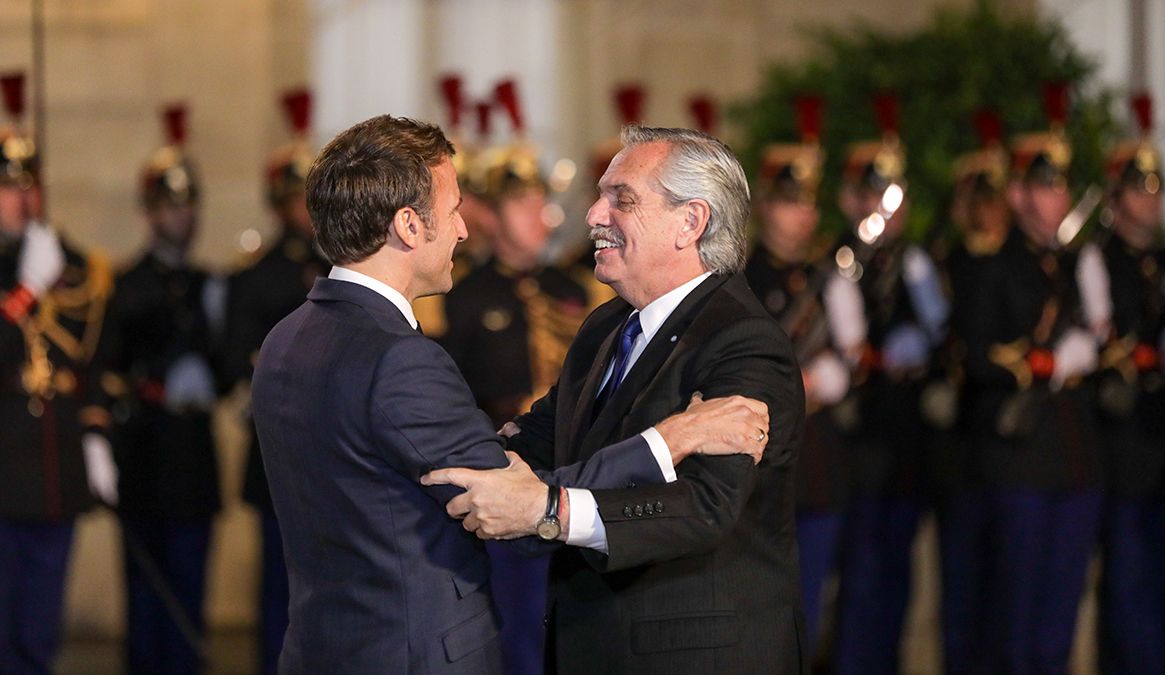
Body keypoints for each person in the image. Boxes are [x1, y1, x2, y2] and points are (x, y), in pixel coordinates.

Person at [250, 115, 770, 675]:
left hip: (323, 648)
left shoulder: (290, 336)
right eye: (452, 212)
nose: (463, 231)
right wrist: (670, 439)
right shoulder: (397, 356)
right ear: (407, 225)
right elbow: (512, 510)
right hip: (414, 655)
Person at [425, 125, 806, 674]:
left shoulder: (743, 341)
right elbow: (537, 444)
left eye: (621, 199)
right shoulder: (606, 326)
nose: (594, 215)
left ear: (690, 222)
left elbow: (704, 507)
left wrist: (552, 510)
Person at [439, 81, 586, 675]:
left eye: (540, 200)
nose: (541, 214)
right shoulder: (463, 297)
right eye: (523, 202)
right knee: (517, 635)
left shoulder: (574, 289)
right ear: (491, 214)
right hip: (503, 473)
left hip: (576, 477)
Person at [963, 83, 1104, 673]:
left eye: (1060, 185)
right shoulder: (997, 266)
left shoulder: (1077, 262)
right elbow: (976, 354)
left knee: (1061, 609)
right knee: (1015, 613)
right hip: (1020, 459)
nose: (1056, 196)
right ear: (1018, 193)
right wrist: (1043, 362)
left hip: (1076, 458)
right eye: (1044, 185)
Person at [0, 70, 118, 675]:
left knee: (39, 626)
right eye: (9, 188)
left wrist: (96, 434)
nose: (23, 199)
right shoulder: (28, 274)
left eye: (30, 187)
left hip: (53, 471)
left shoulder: (72, 266)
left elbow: (91, 357)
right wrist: (24, 291)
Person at [102, 103, 222, 675]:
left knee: (190, 594)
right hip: (145, 459)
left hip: (194, 460)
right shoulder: (126, 285)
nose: (184, 216)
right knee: (147, 600)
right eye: (173, 204)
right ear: (151, 211)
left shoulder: (208, 285)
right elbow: (113, 368)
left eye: (189, 203)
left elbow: (226, 374)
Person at [831, 94, 949, 675]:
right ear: (851, 199)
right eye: (876, 194)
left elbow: (945, 342)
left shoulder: (917, 261)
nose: (888, 209)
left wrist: (933, 337)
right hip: (854, 443)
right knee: (858, 576)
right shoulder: (838, 261)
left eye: (895, 196)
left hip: (906, 443)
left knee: (895, 574)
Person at [1092, 93, 1165, 675]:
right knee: (1133, 607)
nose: (1151, 201)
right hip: (1131, 455)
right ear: (1114, 197)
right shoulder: (1101, 261)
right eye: (1139, 188)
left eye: (1156, 189)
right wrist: (1159, 351)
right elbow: (1113, 347)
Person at [744, 95, 855, 653]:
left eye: (809, 202)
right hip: (761, 471)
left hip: (820, 464)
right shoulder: (738, 278)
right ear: (765, 204)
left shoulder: (827, 275)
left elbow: (851, 355)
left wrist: (840, 368)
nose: (803, 214)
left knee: (811, 616)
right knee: (762, 618)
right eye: (790, 201)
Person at [221, 88, 326, 675]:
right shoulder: (257, 277)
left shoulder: (337, 264)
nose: (301, 211)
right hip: (280, 442)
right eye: (293, 199)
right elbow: (240, 355)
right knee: (278, 583)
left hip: (333, 443)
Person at [934, 108, 1012, 675]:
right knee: (961, 588)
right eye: (974, 198)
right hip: (958, 447)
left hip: (1011, 447)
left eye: (992, 196)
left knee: (1009, 591)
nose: (983, 209)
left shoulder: (1017, 263)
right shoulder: (946, 261)